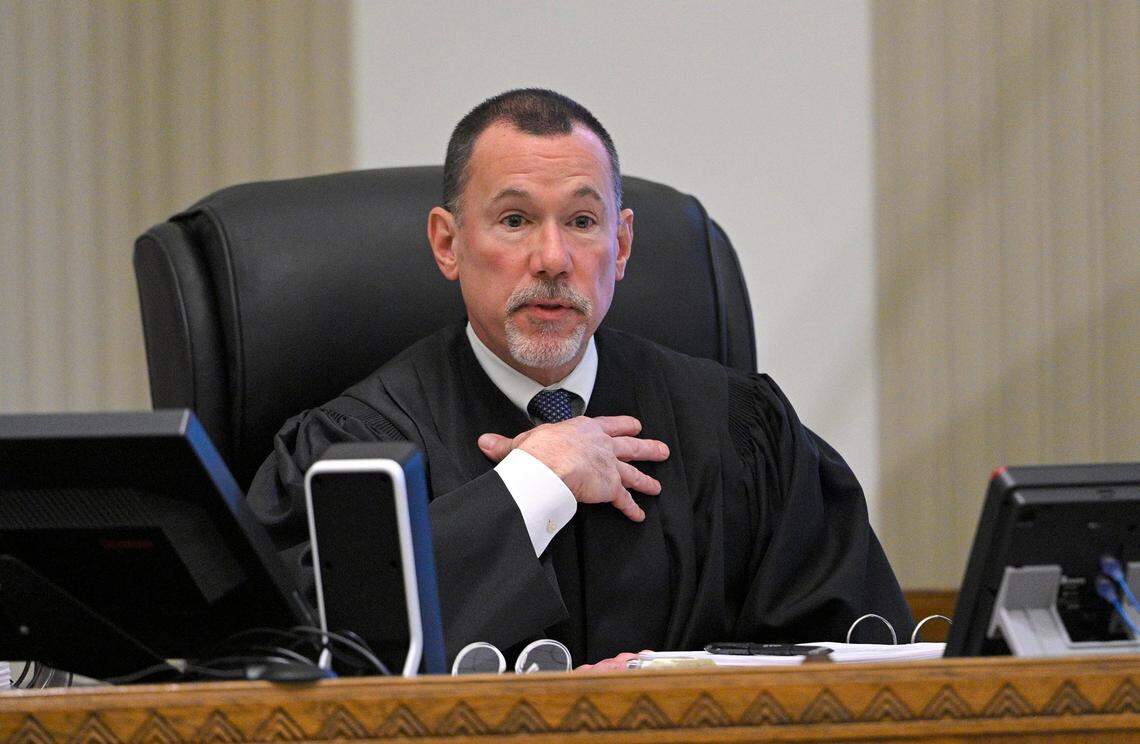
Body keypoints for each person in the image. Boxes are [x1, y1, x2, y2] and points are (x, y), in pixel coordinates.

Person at [247, 88, 911, 667]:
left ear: (620, 246)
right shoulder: (352, 446)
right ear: (448, 244)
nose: (553, 259)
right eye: (514, 220)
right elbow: (305, 654)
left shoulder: (737, 431)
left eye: (582, 222)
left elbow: (857, 659)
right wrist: (531, 486)